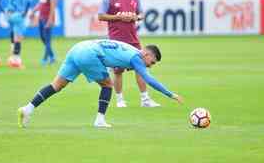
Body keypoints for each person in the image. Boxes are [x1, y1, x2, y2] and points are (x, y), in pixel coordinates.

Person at [18, 39, 183, 128]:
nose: (149, 65)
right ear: (146, 53)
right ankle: (99, 120)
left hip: (78, 48)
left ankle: (28, 108)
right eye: (151, 62)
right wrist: (170, 94)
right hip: (89, 53)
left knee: (56, 85)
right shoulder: (137, 57)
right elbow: (149, 80)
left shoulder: (131, 51)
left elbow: (113, 55)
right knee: (107, 85)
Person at [98, 0, 159, 108]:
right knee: (118, 71)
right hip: (116, 41)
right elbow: (100, 16)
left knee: (140, 68)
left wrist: (136, 17)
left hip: (133, 39)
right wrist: (119, 17)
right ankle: (120, 100)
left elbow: (142, 13)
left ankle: (145, 100)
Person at [30, 0, 58, 65]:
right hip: (41, 17)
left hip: (47, 18)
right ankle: (52, 56)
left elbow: (53, 6)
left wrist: (50, 19)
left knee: (47, 39)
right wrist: (33, 11)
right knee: (43, 38)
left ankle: (45, 59)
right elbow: (41, 3)